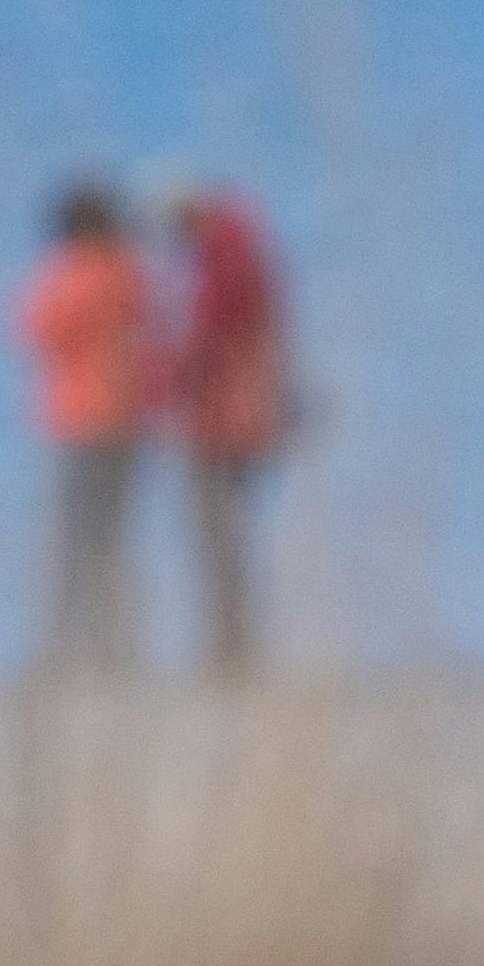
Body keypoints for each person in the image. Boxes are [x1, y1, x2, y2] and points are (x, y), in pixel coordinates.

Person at [15, 176, 154, 678]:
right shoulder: (128, 270)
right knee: (114, 540)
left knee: (73, 542)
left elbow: (34, 326)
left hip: (80, 419)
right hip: (127, 417)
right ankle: (116, 646)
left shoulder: (74, 271)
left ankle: (68, 650)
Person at [163, 177, 301, 682]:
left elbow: (206, 334)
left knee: (217, 531)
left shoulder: (219, 260)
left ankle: (229, 646)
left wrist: (172, 379)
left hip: (222, 417)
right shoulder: (247, 255)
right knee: (232, 530)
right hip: (251, 411)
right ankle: (235, 643)